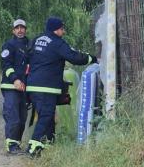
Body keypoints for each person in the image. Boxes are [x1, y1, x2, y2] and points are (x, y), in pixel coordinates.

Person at [26, 16, 96, 157]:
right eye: (62, 29)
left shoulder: (36, 40)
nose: (63, 32)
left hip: (32, 86)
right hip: (46, 87)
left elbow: (27, 57)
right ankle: (33, 145)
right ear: (56, 29)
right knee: (46, 115)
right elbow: (74, 57)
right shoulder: (57, 43)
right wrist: (91, 58)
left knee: (48, 116)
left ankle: (48, 144)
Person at [0, 18, 30, 154]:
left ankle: (16, 144)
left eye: (22, 27)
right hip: (11, 87)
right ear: (13, 31)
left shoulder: (30, 45)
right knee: (13, 117)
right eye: (17, 28)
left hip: (25, 88)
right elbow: (6, 65)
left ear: (25, 30)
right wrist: (15, 80)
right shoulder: (8, 45)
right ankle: (11, 146)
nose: (20, 30)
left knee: (22, 118)